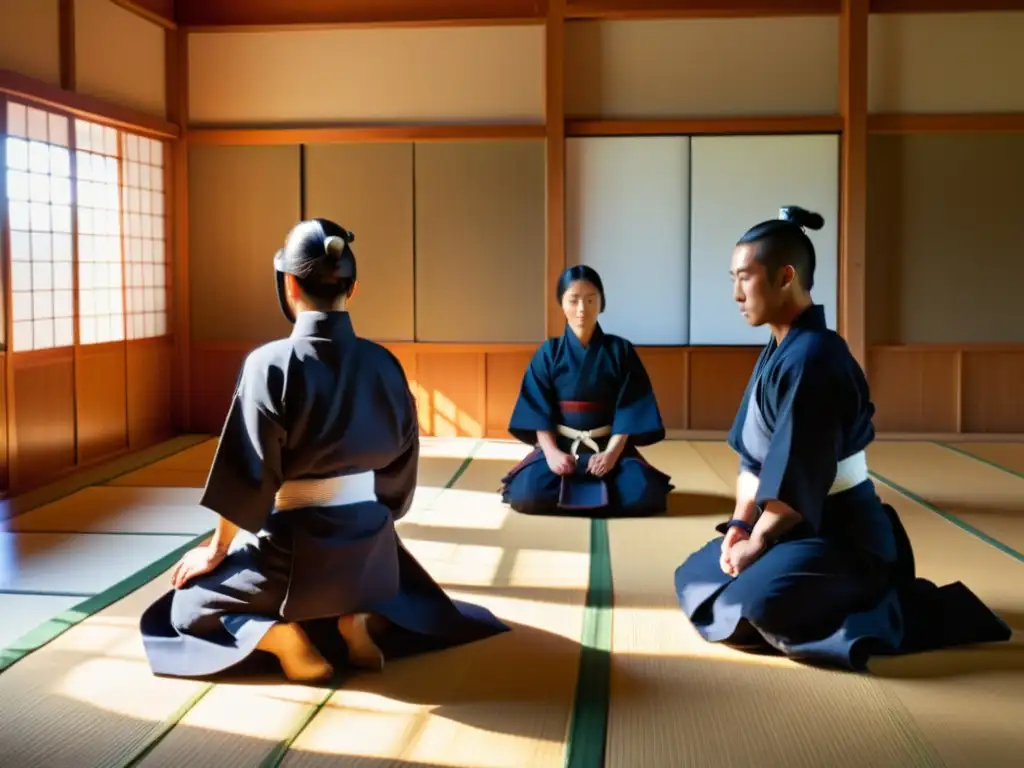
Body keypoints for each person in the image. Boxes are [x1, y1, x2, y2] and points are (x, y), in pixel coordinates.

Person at [140, 218, 508, 683]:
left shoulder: (268, 364)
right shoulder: (384, 363)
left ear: (289, 285)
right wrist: (372, 526)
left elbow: (247, 473)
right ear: (351, 290)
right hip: (372, 553)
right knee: (410, 595)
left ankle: (283, 639)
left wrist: (217, 550)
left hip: (295, 553)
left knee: (185, 606)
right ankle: (359, 618)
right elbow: (399, 474)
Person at [672, 206, 1011, 670]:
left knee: (757, 606)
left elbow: (799, 476)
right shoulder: (779, 349)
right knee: (694, 577)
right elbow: (753, 461)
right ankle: (782, 578)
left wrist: (757, 542)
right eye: (733, 277)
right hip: (788, 526)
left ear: (785, 276)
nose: (735, 293)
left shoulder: (815, 358)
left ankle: (887, 592)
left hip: (841, 532)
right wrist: (738, 527)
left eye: (745, 278)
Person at [499, 265, 674, 518]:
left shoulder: (620, 350)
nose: (582, 309)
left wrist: (612, 455)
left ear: (601, 303)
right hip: (561, 444)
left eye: (591, 300)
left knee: (645, 494)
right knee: (528, 493)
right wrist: (551, 454)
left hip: (608, 443)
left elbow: (631, 408)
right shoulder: (549, 353)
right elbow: (536, 408)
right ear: (562, 304)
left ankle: (582, 492)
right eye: (574, 300)